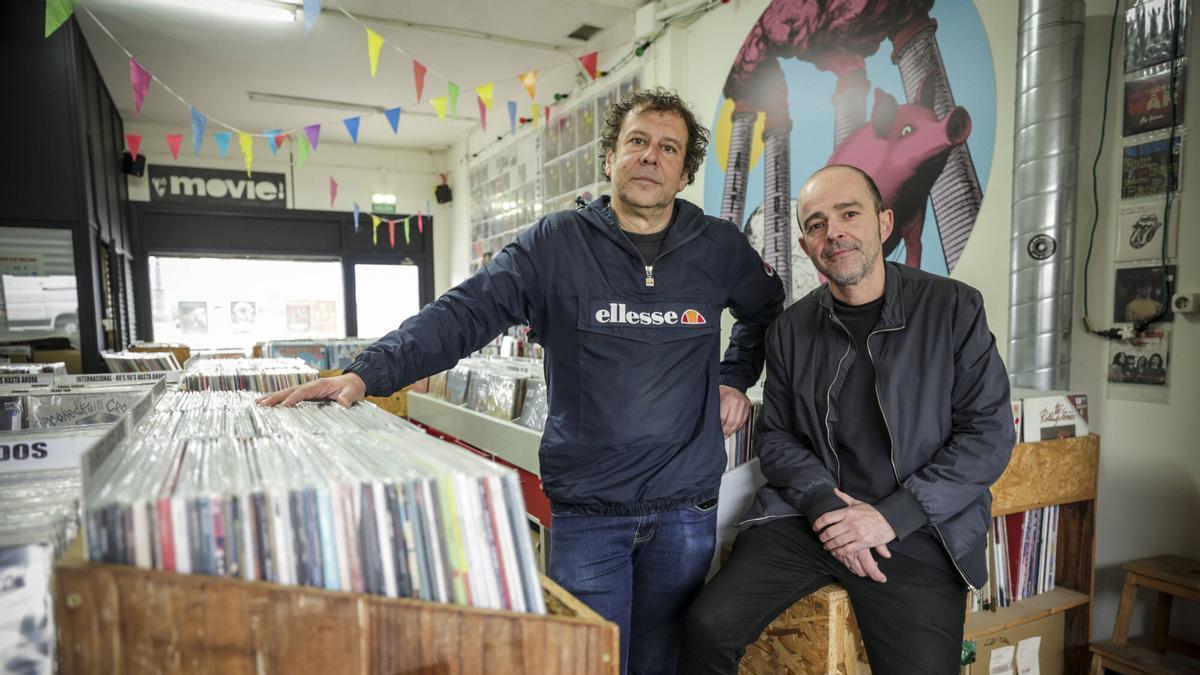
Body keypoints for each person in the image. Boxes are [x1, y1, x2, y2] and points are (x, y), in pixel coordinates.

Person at [260, 88, 784, 675]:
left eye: (668, 149)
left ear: (684, 174)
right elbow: (465, 313)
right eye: (636, 142)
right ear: (609, 156)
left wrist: (735, 377)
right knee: (588, 662)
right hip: (590, 513)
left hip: (685, 511)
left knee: (661, 661)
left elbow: (767, 311)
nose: (650, 157)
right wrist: (366, 373)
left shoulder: (718, 248)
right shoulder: (555, 244)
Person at [680, 165, 1014, 674]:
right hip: (807, 519)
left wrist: (888, 518)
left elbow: (988, 435)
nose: (833, 231)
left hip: (920, 528)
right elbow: (779, 437)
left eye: (848, 214)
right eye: (816, 224)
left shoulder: (952, 308)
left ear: (883, 224)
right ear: (806, 244)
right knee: (704, 628)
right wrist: (825, 508)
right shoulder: (790, 329)